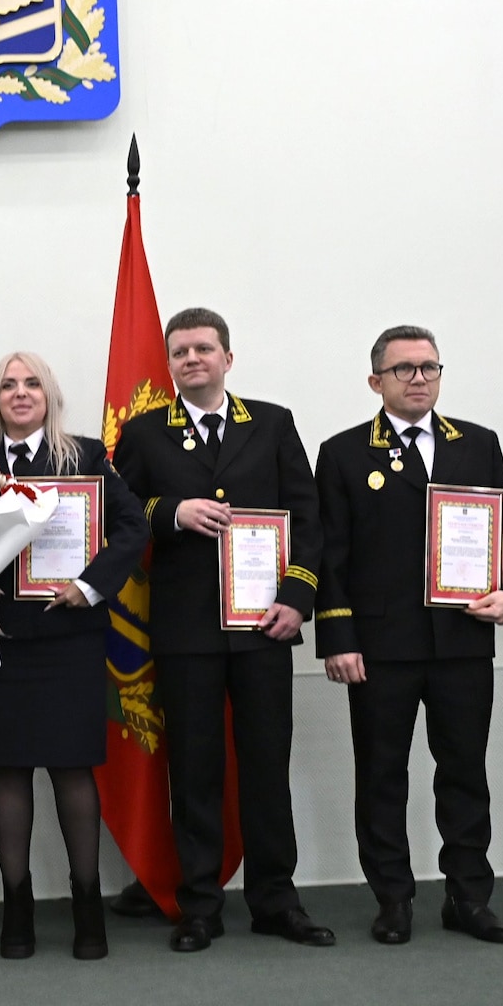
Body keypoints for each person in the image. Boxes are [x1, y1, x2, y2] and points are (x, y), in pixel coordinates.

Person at [111, 307, 335, 951]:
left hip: (265, 624)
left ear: (227, 359)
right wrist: (170, 512)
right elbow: (117, 511)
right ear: (169, 364)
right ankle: (200, 905)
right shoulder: (145, 432)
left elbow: (307, 516)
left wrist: (298, 598)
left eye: (203, 349)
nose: (192, 360)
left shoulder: (271, 423)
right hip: (185, 631)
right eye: (180, 352)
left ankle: (276, 900)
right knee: (195, 771)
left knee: (267, 766)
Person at [314, 325, 503, 946]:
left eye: (429, 367)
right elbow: (330, 555)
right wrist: (338, 637)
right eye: (404, 369)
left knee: (464, 772)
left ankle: (469, 897)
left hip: (462, 640)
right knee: (381, 775)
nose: (419, 378)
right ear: (375, 381)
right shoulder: (344, 452)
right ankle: (393, 898)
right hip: (380, 647)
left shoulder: (478, 444)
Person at [0, 352, 146, 960]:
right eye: (8, 385)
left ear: (49, 395)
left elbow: (132, 528)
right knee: (8, 770)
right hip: (1, 639)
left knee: (72, 769)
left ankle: (88, 909)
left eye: (32, 383)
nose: (21, 393)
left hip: (70, 639)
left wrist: (88, 585)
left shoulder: (85, 458)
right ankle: (16, 910)